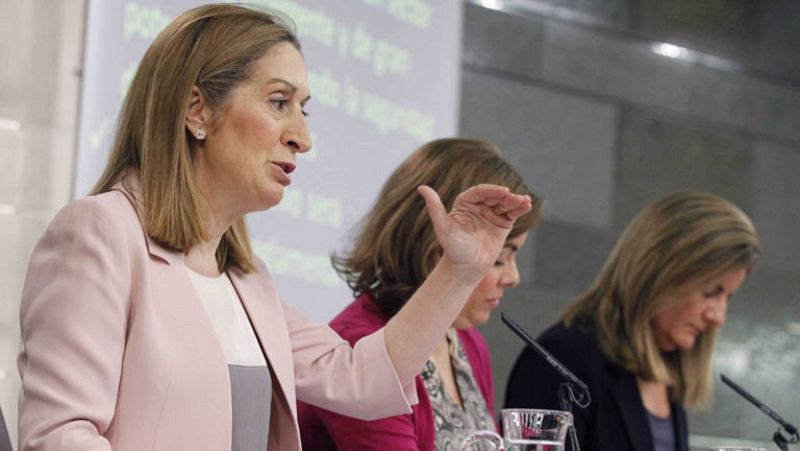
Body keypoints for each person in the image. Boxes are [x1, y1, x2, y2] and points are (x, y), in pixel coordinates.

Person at [16, 5, 533, 451]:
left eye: (303, 110)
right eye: (279, 102)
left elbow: (362, 380)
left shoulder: (245, 279)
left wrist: (459, 270)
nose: (303, 137)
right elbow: (61, 435)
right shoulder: (101, 232)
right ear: (197, 110)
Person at [297, 138, 542, 451]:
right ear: (436, 245)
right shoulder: (359, 346)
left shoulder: (466, 341)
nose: (513, 278)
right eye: (498, 259)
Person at [504, 191, 760, 451]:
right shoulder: (561, 359)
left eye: (728, 297)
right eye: (710, 292)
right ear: (659, 272)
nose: (718, 317)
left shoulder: (668, 371)